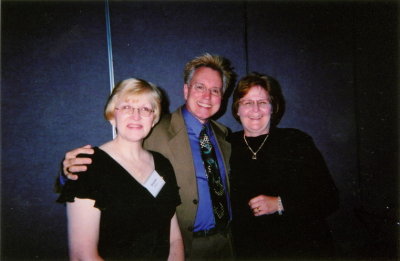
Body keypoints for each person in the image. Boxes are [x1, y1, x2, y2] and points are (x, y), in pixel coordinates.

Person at [60, 53, 235, 260]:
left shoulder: (224, 137)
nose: (207, 96)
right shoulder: (154, 129)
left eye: (215, 90)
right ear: (186, 90)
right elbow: (107, 166)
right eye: (200, 87)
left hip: (224, 245)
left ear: (222, 97)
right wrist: (67, 172)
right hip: (187, 248)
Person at [57, 78, 184, 260]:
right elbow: (82, 255)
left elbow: (174, 238)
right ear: (112, 114)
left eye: (145, 109)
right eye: (127, 107)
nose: (136, 115)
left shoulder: (162, 164)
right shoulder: (87, 164)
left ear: (154, 118)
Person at [229, 73, 339, 260]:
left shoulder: (296, 141)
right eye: (247, 103)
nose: (255, 109)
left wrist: (280, 203)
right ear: (237, 109)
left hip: (300, 249)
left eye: (263, 102)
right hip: (249, 251)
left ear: (273, 107)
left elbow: (330, 198)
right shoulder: (227, 144)